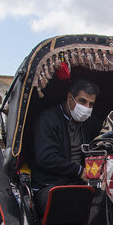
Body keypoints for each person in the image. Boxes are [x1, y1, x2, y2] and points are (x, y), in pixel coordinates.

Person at [32, 80, 98, 214]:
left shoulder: (90, 123)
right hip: (50, 184)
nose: (86, 107)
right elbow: (46, 158)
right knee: (65, 202)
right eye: (82, 101)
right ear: (70, 98)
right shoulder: (48, 120)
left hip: (81, 184)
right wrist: (79, 171)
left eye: (91, 104)